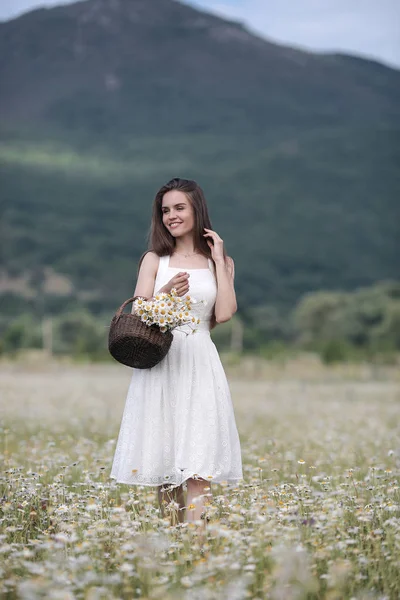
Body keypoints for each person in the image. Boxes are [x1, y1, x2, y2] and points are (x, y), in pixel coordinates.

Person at [110, 177, 243, 525]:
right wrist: (166, 291)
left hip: (200, 360)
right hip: (162, 361)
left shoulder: (220, 261)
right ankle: (174, 541)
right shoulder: (155, 260)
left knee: (199, 461)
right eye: (165, 210)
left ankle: (196, 545)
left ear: (197, 209)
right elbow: (139, 313)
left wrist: (218, 259)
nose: (171, 215)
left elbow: (225, 313)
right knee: (166, 463)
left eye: (179, 208)